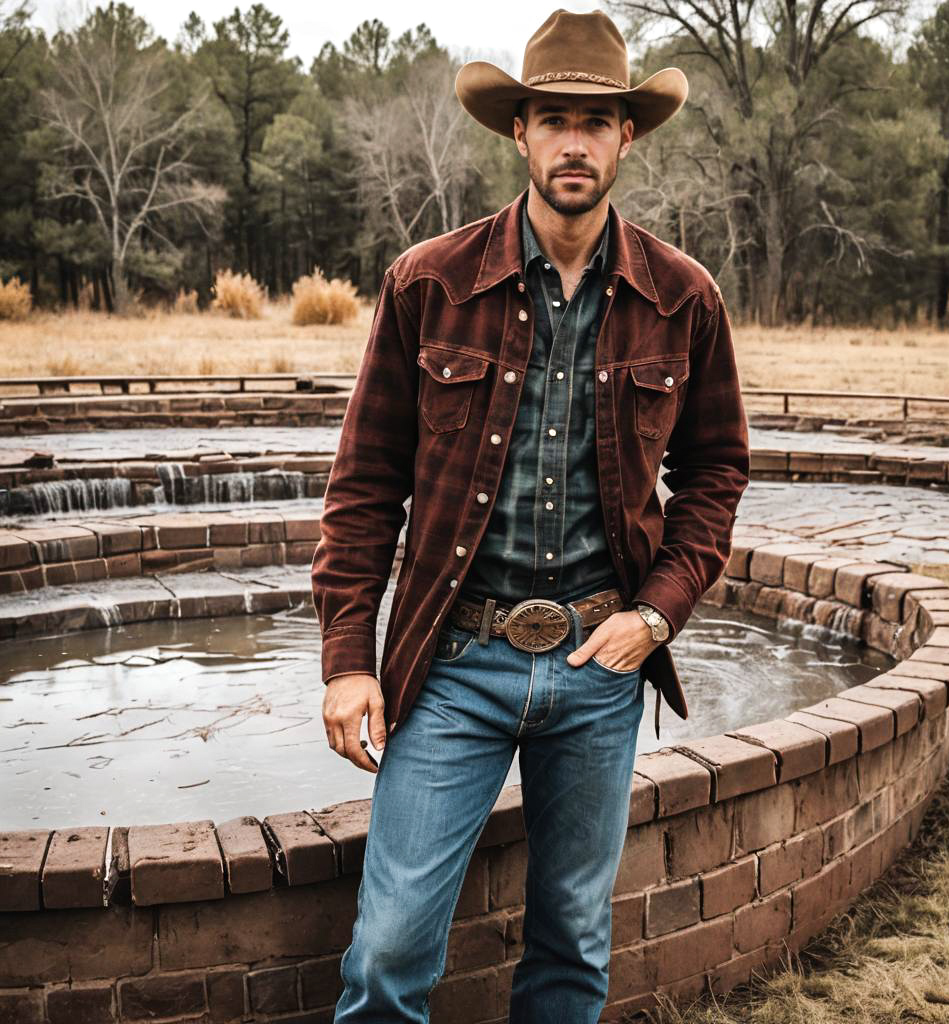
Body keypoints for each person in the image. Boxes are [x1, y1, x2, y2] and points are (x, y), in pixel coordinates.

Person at [311, 9, 751, 1021]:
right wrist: (346, 658)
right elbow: (365, 484)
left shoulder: (682, 298)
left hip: (600, 666)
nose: (573, 142)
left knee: (571, 948)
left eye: (595, 122)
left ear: (625, 137)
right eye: (553, 118)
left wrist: (654, 617)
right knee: (387, 951)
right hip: (454, 663)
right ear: (519, 131)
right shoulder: (429, 283)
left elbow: (716, 470)